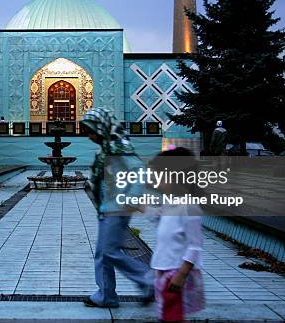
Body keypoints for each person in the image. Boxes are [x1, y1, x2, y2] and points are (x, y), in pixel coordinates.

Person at [80, 107, 153, 308]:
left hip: (118, 207)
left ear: (102, 127)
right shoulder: (107, 148)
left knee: (109, 252)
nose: (89, 136)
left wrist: (132, 197)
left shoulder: (119, 146)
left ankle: (149, 279)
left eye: (91, 131)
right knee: (103, 254)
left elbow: (139, 170)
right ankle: (106, 296)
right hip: (108, 207)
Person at [149, 147, 205, 322]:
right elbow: (155, 216)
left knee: (172, 315)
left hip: (176, 273)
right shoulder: (170, 203)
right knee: (166, 312)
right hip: (163, 269)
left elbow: (195, 245)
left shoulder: (189, 208)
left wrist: (181, 274)